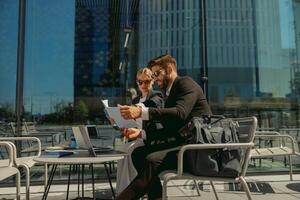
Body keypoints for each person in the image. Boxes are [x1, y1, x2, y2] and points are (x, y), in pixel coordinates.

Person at [117, 54, 212, 200]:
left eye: (156, 73)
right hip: (183, 146)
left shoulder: (186, 83)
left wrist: (142, 111)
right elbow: (169, 129)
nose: (154, 78)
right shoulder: (169, 94)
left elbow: (180, 113)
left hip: (197, 150)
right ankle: (157, 197)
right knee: (138, 153)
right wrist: (141, 134)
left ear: (168, 68)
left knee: (152, 160)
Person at [116, 68, 164, 194]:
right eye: (140, 82)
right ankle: (123, 189)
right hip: (137, 137)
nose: (143, 85)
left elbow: (152, 106)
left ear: (152, 81)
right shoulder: (135, 100)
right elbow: (133, 123)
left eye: (146, 81)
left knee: (130, 150)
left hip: (150, 139)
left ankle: (133, 188)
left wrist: (135, 110)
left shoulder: (156, 95)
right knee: (122, 150)